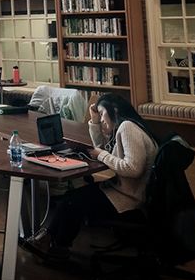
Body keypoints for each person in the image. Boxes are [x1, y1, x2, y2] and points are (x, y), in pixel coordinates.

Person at [45, 93, 159, 260]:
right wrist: (95, 122)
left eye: (102, 113)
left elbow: (133, 168)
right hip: (126, 190)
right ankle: (51, 240)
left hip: (130, 198)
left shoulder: (128, 128)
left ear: (114, 110)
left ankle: (58, 248)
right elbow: (102, 149)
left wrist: (100, 155)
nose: (101, 118)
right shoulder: (129, 125)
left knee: (71, 202)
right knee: (70, 198)